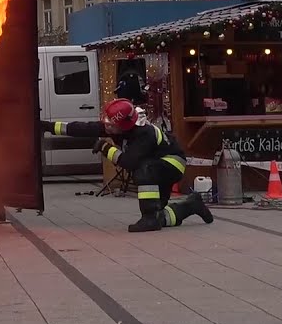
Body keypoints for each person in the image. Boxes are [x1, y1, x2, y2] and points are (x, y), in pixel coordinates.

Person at [41, 99, 213, 233]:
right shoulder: (119, 125)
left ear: (124, 126)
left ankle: (148, 218)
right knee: (161, 216)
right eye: (106, 122)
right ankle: (191, 205)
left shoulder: (143, 134)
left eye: (111, 125)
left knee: (143, 169)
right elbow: (82, 128)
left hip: (171, 164)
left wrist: (105, 148)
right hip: (157, 166)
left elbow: (128, 162)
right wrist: (47, 126)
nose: (107, 127)